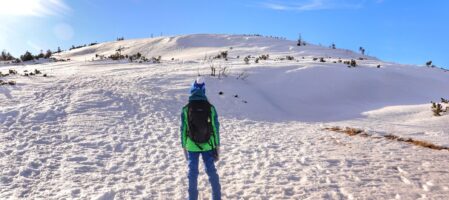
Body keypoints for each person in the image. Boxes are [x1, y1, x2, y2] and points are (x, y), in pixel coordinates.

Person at [180, 77, 221, 200]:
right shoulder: (210, 107)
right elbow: (215, 128)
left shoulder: (186, 109)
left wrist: (184, 146)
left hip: (191, 146)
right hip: (208, 145)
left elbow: (183, 129)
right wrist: (217, 146)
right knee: (212, 173)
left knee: (192, 174)